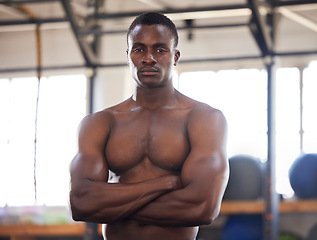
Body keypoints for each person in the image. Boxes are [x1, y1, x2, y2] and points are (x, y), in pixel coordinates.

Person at [69, 12, 229, 240]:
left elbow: (202, 208)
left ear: (175, 56)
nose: (149, 58)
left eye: (160, 49)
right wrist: (164, 184)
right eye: (139, 49)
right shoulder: (100, 123)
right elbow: (81, 203)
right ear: (128, 56)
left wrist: (113, 206)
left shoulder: (203, 119)